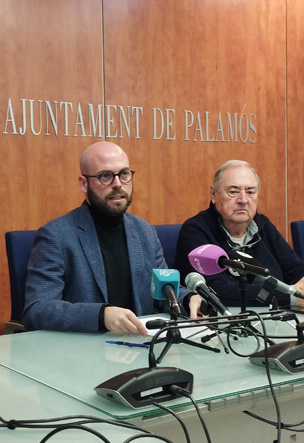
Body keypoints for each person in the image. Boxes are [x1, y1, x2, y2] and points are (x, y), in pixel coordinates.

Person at [22, 141, 200, 335]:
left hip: (138, 344)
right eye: (105, 176)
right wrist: (101, 315)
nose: (118, 184)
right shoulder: (56, 235)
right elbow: (37, 310)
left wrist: (187, 299)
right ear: (84, 183)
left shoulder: (145, 232)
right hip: (83, 348)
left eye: (124, 174)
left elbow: (163, 291)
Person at [174, 160, 304, 308]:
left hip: (275, 316)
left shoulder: (262, 224)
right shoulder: (196, 230)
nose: (243, 200)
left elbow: (293, 269)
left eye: (250, 192)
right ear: (213, 194)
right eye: (233, 192)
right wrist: (291, 296)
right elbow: (217, 290)